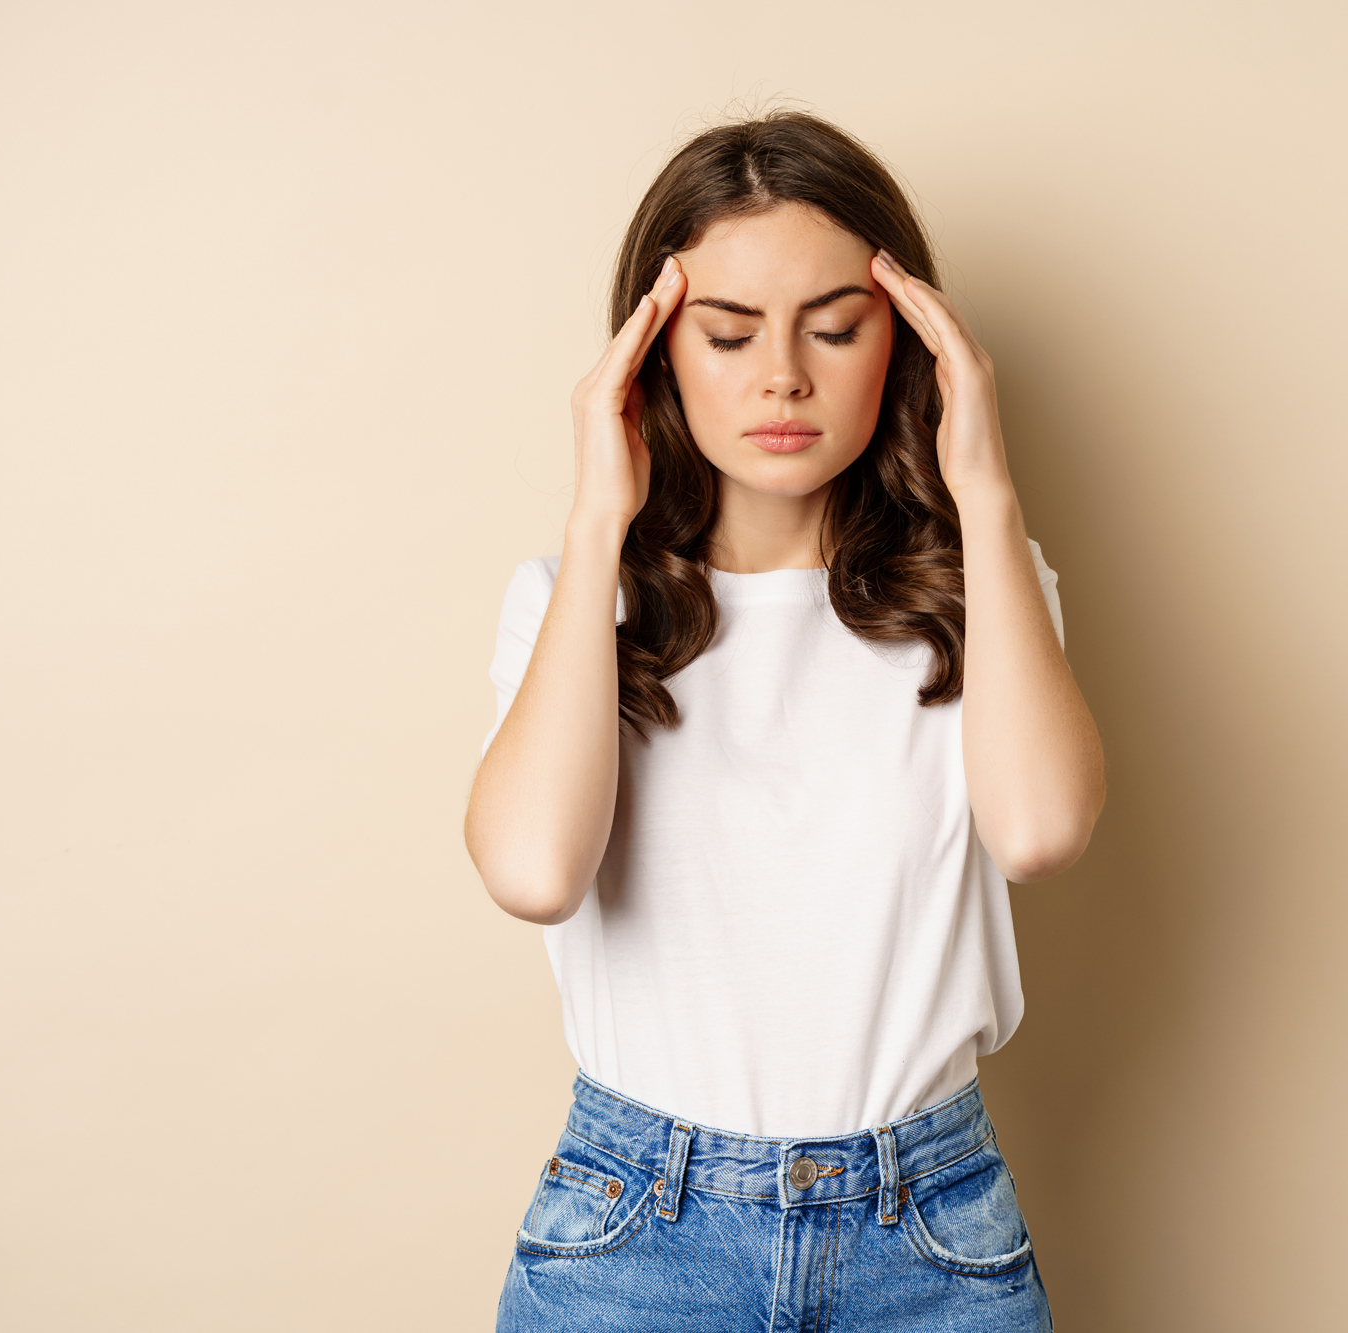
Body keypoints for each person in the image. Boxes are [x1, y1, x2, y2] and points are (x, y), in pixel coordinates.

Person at [465, 110, 1104, 1331]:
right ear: (653, 355)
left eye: (833, 326)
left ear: (904, 345)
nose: (782, 377)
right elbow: (535, 872)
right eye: (726, 331)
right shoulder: (569, 604)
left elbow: (1039, 831)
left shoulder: (981, 586)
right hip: (634, 1233)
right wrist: (599, 514)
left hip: (926, 1233)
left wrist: (983, 482)